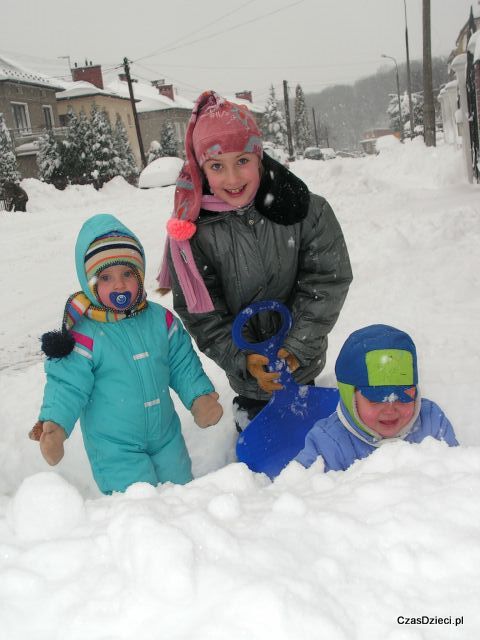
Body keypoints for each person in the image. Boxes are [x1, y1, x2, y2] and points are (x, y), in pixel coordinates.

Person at [157, 90, 353, 432]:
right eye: (217, 166)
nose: (232, 179)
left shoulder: (306, 210)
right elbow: (203, 313)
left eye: (242, 161)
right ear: (201, 168)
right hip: (248, 378)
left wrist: (295, 349)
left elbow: (326, 281)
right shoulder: (193, 234)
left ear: (259, 157)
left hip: (303, 365)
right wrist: (244, 359)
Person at [30, 213, 223, 494]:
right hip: (114, 446)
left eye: (128, 274)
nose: (119, 285)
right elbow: (67, 385)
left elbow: (182, 363)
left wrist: (199, 397)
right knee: (137, 503)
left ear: (140, 275)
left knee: (182, 492)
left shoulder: (160, 320)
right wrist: (56, 427)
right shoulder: (83, 334)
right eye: (106, 277)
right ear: (90, 283)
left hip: (166, 435)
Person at [295, 324, 458, 472]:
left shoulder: (432, 423)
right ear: (349, 397)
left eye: (403, 395)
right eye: (376, 398)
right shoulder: (328, 444)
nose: (390, 408)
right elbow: (304, 492)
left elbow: (458, 474)